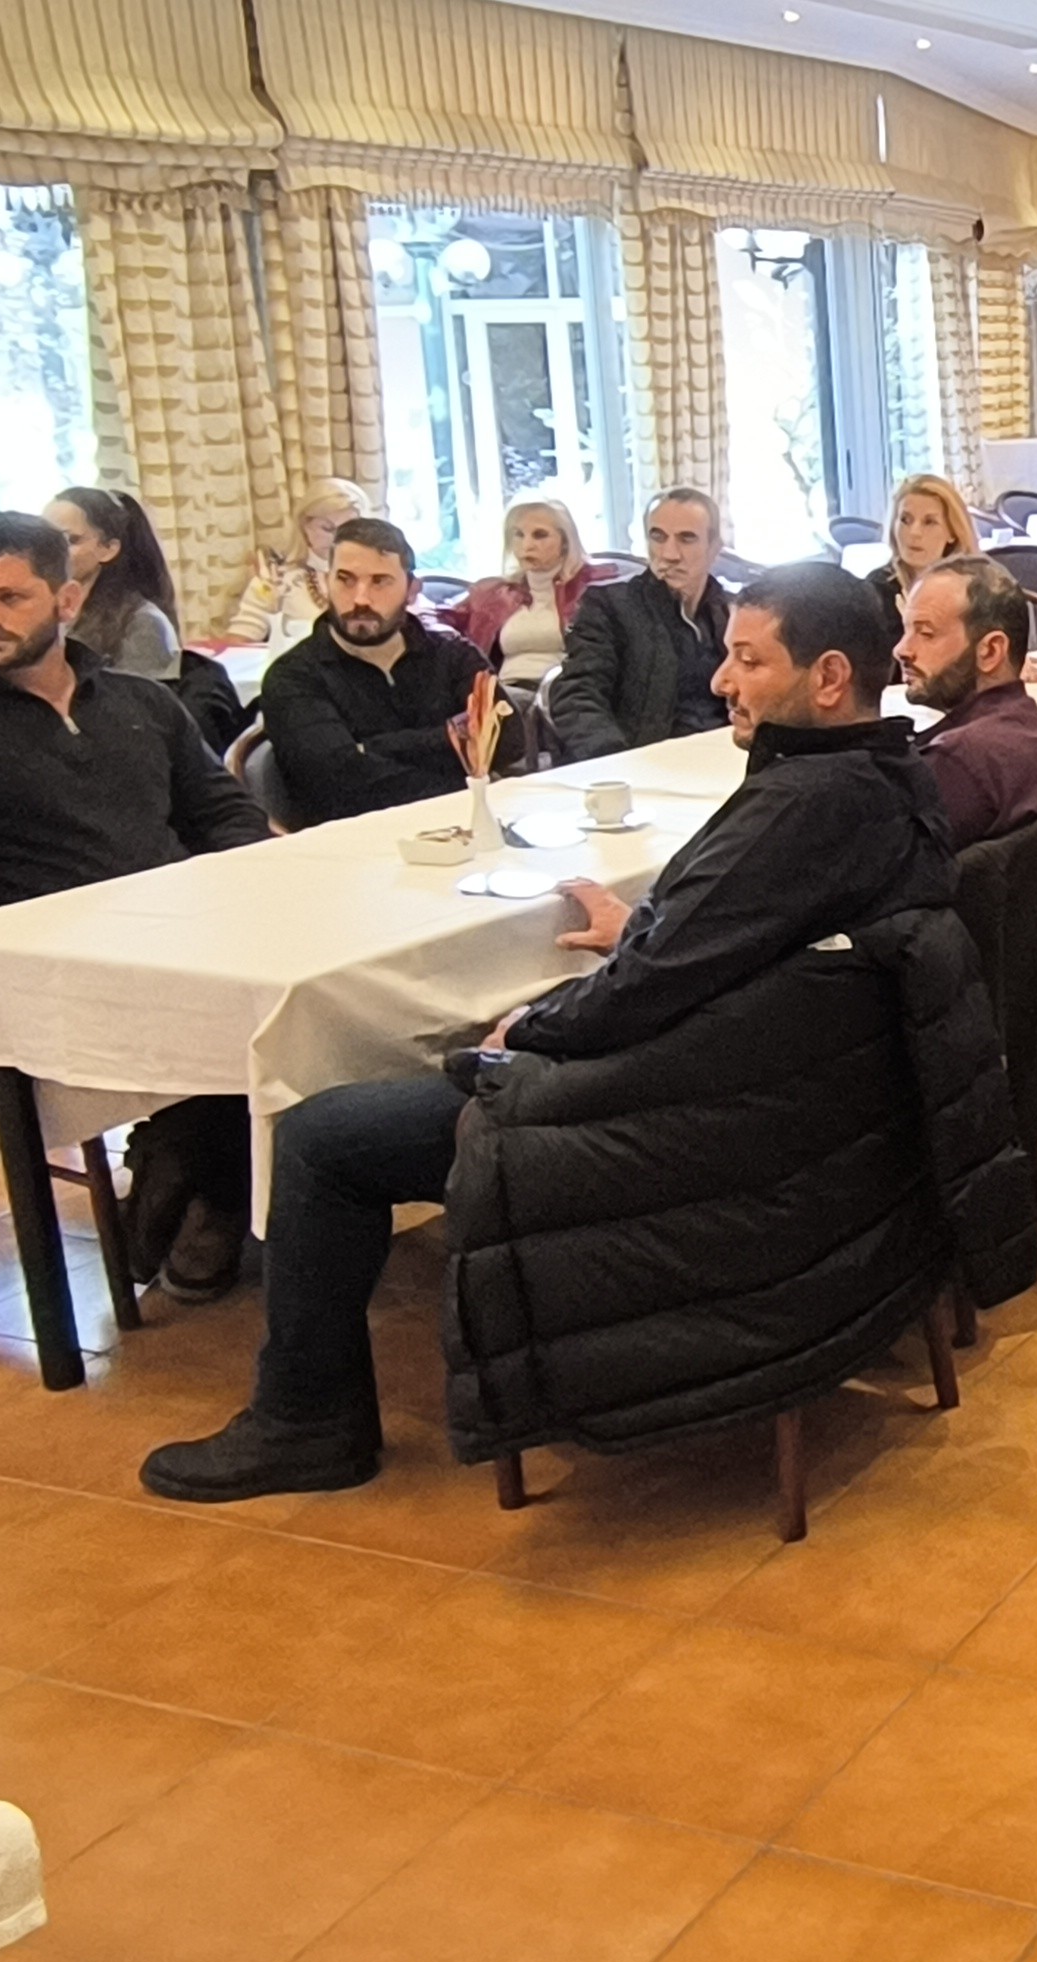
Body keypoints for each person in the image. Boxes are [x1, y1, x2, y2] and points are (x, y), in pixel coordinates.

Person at [135, 563, 968, 1501]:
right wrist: (647, 932)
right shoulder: (880, 775)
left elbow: (645, 992)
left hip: (719, 1134)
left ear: (829, 678)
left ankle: (306, 1422)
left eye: (747, 660)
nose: (720, 680)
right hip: (814, 1113)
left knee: (324, 1137)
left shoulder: (803, 802)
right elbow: (723, 944)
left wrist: (529, 1035)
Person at [0, 512, 273, 1298]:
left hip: (179, 941)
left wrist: (230, 891)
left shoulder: (142, 704)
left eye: (10, 597)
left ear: (66, 600)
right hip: (38, 979)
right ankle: (193, 1183)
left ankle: (192, 1177)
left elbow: (224, 812)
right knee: (245, 1025)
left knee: (296, 1009)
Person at [252, 518, 491, 825]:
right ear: (326, 582)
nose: (360, 599)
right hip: (356, 841)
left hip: (465, 826)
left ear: (411, 590)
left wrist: (372, 747)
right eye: (345, 580)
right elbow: (342, 779)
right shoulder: (294, 676)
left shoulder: (453, 654)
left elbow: (506, 738)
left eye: (380, 581)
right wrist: (456, 746)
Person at [897, 553, 1037, 850]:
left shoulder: (958, 762)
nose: (901, 649)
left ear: (991, 651)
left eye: (926, 633)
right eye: (906, 630)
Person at [548, 487, 736, 759]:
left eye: (686, 538)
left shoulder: (732, 612)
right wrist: (616, 760)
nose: (669, 554)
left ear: (714, 548)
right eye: (658, 537)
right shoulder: (610, 605)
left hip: (724, 755)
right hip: (641, 758)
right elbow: (577, 694)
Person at [452, 498, 618, 689]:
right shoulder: (493, 594)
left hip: (569, 691)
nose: (527, 545)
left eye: (540, 535)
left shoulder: (595, 586)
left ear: (565, 542)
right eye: (518, 535)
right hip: (507, 692)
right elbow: (440, 623)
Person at [43, 486, 183, 681]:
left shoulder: (142, 623)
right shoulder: (41, 610)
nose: (52, 551)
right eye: (45, 539)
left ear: (108, 549)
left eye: (70, 540)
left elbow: (142, 698)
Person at [217, 477, 371, 647]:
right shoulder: (275, 580)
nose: (336, 538)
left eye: (348, 530)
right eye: (327, 528)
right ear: (305, 526)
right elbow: (238, 642)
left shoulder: (380, 580)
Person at [868, 473, 979, 624]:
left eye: (929, 522)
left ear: (952, 532)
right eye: (905, 520)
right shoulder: (876, 590)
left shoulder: (973, 590)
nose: (914, 532)